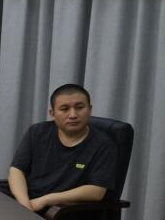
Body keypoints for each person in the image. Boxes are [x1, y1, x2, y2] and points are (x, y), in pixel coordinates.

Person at [7, 84, 118, 213]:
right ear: (52, 114)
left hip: (60, 210)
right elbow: (16, 170)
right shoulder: (37, 132)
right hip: (27, 201)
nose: (73, 115)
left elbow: (96, 191)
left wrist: (45, 200)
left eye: (79, 107)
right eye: (64, 109)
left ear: (90, 109)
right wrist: (25, 206)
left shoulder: (103, 144)